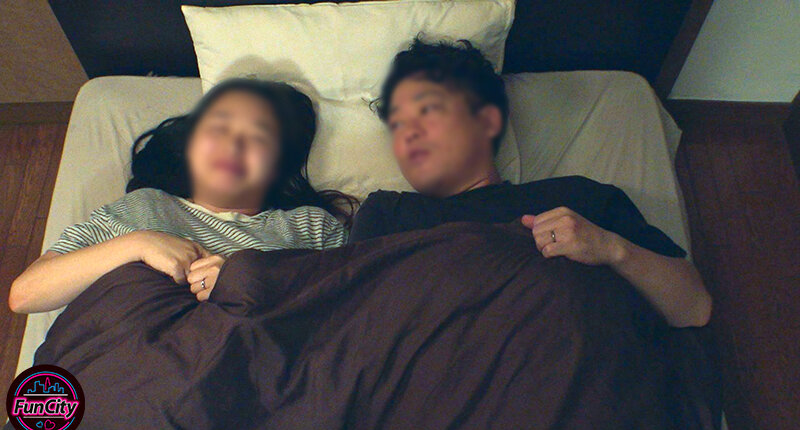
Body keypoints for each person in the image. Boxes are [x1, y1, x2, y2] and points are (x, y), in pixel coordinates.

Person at [351, 38, 712, 328]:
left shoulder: (578, 198)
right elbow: (348, 330)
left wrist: (610, 248)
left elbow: (694, 308)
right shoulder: (387, 214)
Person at [10, 78, 354, 314]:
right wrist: (139, 244)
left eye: (258, 137)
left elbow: (352, 310)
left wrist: (250, 285)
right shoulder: (144, 207)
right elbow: (26, 294)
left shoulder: (311, 226)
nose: (233, 145)